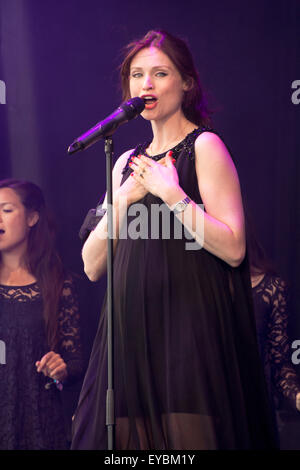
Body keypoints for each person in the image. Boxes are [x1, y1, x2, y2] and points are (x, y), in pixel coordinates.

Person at [71, 30, 277, 450]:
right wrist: (125, 198)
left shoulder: (205, 147)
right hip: (128, 333)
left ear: (186, 83)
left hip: (187, 331)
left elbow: (234, 247)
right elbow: (92, 265)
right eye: (137, 75)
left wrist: (173, 195)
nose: (145, 85)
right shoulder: (126, 163)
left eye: (160, 73)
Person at [0, 179, 84, 450]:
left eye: (6, 210)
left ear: (32, 218)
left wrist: (60, 368)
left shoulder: (58, 283)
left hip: (41, 421)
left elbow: (74, 363)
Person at [247, 218, 300, 435]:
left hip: (255, 410)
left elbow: (279, 362)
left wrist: (297, 396)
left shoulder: (271, 288)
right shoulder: (199, 290)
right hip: (207, 410)